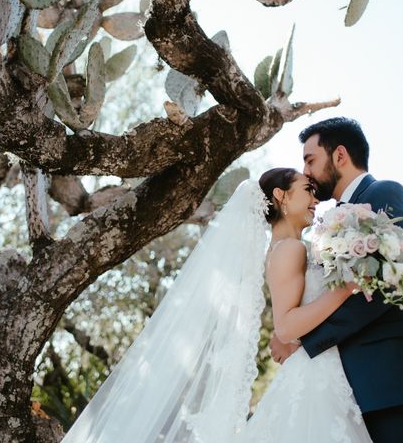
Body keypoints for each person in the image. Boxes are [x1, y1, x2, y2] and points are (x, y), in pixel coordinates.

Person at [60, 169, 372, 443]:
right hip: (317, 382)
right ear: (282, 197)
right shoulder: (290, 249)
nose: (316, 200)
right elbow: (287, 326)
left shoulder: (282, 249)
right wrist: (345, 290)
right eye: (307, 190)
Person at [270, 117, 403, 442]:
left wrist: (303, 340)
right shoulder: (330, 222)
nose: (306, 172)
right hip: (351, 394)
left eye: (310, 160)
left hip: (399, 385)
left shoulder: (385, 193)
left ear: (339, 156)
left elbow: (382, 287)